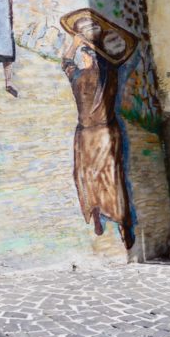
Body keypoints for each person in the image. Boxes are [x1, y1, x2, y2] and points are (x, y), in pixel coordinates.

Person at [61, 13, 135, 249]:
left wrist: (75, 42)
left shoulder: (81, 76)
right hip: (103, 133)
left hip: (87, 134)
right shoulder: (108, 72)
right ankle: (123, 225)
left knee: (88, 176)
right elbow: (124, 51)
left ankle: (98, 217)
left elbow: (66, 62)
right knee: (111, 178)